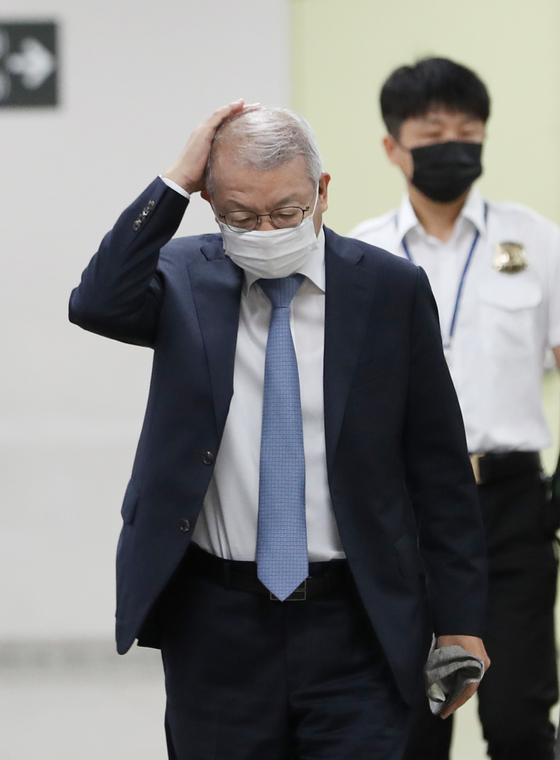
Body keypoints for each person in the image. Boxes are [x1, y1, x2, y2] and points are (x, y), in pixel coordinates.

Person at [69, 100, 489, 760]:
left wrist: (461, 623)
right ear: (213, 206)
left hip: (360, 620)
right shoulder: (185, 277)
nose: (266, 230)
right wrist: (176, 179)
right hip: (216, 623)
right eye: (241, 216)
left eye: (286, 211)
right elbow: (97, 302)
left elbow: (437, 469)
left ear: (322, 193)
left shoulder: (389, 290)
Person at [350, 57, 560, 760]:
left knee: (519, 718)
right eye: (433, 131)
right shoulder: (359, 252)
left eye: (468, 131)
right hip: (398, 512)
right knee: (410, 722)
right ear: (393, 146)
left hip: (509, 508)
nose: (453, 145)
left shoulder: (535, 240)